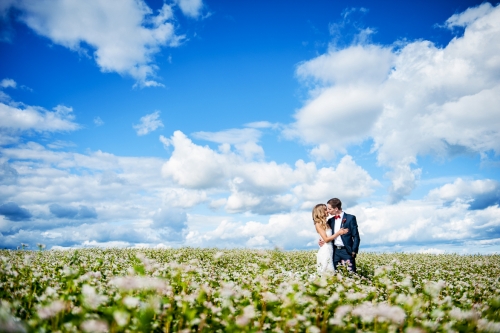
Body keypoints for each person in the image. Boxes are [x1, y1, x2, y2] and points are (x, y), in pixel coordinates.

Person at [319, 198, 360, 273]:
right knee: (335, 274)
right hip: (335, 252)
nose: (328, 211)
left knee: (351, 273)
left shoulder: (350, 218)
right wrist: (322, 240)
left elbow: (356, 236)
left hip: (347, 251)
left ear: (336, 209)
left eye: (329, 209)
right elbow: (328, 235)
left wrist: (354, 251)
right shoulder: (330, 221)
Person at [313, 203, 349, 274]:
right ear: (321, 212)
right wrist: (339, 233)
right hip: (325, 251)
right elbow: (326, 240)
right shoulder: (318, 224)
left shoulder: (327, 223)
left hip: (331, 250)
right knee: (327, 272)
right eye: (325, 209)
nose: (328, 211)